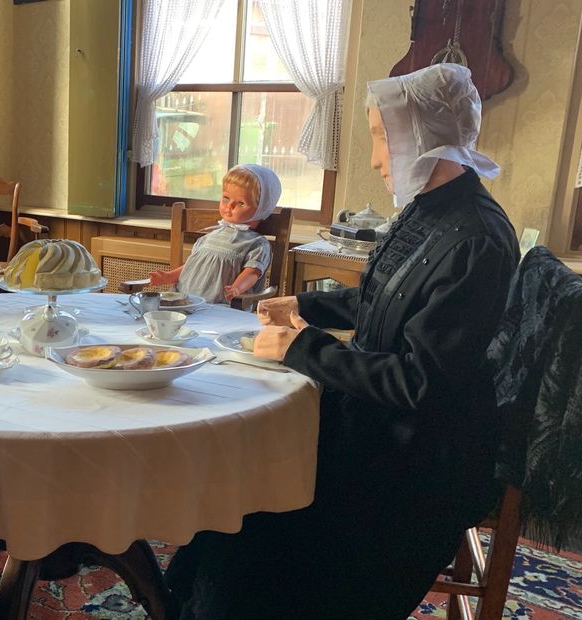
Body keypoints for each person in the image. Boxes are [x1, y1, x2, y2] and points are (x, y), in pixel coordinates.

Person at [165, 63, 519, 619]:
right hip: (378, 423)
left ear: (425, 135)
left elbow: (419, 383)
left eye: (382, 138)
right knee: (236, 511)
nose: (377, 157)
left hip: (416, 461)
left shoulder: (478, 240)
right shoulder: (425, 211)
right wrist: (299, 305)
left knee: (257, 544)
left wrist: (300, 349)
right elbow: (377, 305)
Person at [148, 164, 281, 304]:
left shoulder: (257, 244)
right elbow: (191, 267)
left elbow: (253, 272)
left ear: (262, 208)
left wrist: (237, 288)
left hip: (222, 305)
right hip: (183, 301)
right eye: (226, 198)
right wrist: (168, 277)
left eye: (241, 203)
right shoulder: (208, 237)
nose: (230, 206)